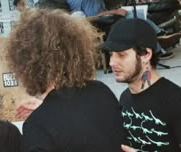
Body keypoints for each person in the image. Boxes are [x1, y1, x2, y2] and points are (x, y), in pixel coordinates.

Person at [7, 8, 125, 151]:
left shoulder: (37, 126)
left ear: (25, 62)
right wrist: (46, 109)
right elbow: (80, 123)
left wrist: (45, 114)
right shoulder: (102, 91)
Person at [102, 18, 181, 152]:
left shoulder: (175, 100)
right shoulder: (125, 98)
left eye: (121, 55)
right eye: (111, 55)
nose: (112, 62)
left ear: (146, 55)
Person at [66, 0, 180, 60]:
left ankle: (158, 37)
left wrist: (115, 11)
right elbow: (96, 15)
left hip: (104, 18)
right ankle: (158, 41)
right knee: (131, 16)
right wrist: (115, 12)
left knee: (132, 13)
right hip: (98, 22)